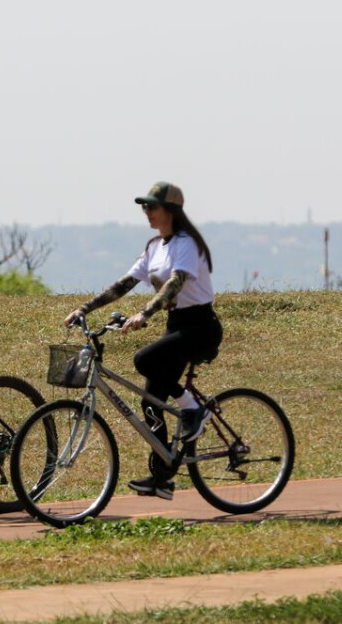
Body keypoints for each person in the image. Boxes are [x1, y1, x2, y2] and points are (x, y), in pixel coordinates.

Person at [63, 181, 222, 500]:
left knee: (143, 360)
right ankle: (162, 477)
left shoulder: (186, 244)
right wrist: (85, 307)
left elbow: (175, 283)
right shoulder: (154, 247)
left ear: (171, 211)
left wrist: (145, 313)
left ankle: (194, 410)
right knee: (151, 401)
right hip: (177, 325)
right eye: (144, 207)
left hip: (200, 327)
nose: (146, 212)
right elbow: (123, 284)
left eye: (152, 206)